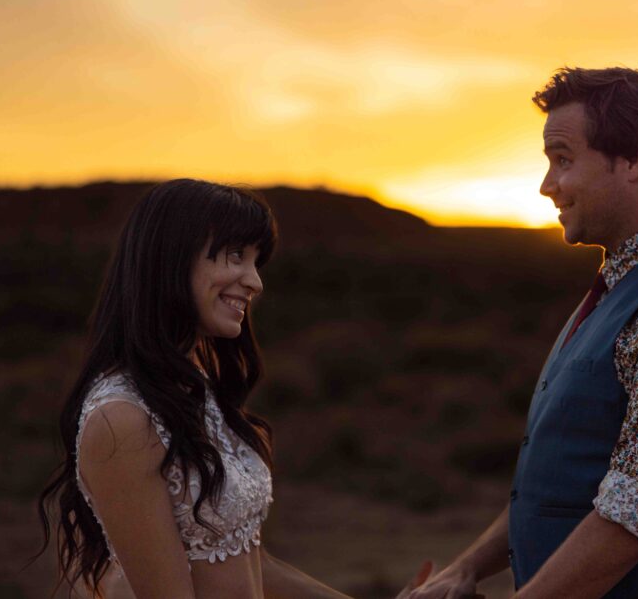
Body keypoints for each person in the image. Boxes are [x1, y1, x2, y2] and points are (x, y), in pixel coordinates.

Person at [406, 67, 638, 599]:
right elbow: (567, 481)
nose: (547, 186)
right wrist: (465, 570)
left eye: (563, 160)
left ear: (635, 158)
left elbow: (635, 514)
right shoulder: (624, 282)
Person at [36, 179, 392, 599]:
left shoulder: (194, 387)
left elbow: (245, 561)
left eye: (257, 261)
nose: (255, 281)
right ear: (170, 258)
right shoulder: (123, 419)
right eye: (237, 255)